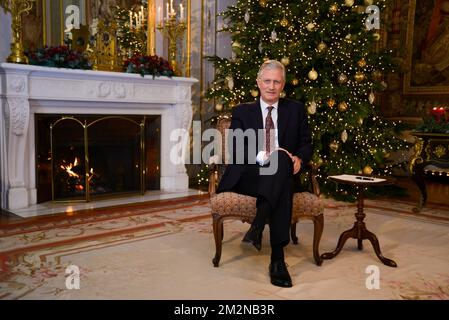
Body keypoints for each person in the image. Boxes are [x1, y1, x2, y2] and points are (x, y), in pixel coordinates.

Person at [216, 60, 312, 288]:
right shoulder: (242, 111)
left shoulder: (295, 109)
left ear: (283, 84)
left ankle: (261, 231)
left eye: (276, 81)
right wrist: (266, 158)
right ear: (258, 83)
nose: (271, 86)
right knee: (279, 166)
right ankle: (277, 259)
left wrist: (299, 158)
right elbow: (238, 148)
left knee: (281, 167)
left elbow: (306, 144)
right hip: (249, 175)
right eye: (267, 81)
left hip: (283, 171)